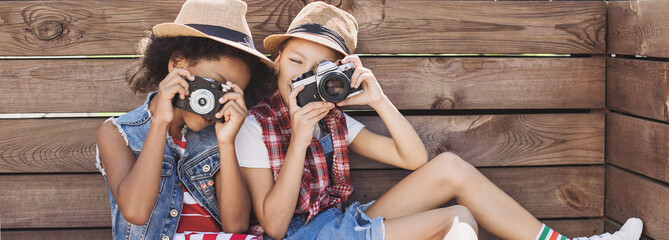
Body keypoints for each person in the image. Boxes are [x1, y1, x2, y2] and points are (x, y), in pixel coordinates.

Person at [235, 2, 644, 240]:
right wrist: (299, 137)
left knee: (449, 168)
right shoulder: (258, 126)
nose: (304, 73)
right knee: (459, 220)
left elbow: (413, 160)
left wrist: (378, 101)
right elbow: (273, 225)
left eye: (322, 68)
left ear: (336, 79)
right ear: (276, 64)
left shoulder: (333, 119)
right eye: (295, 61)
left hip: (344, 222)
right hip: (306, 236)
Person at [95, 0, 274, 239]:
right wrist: (159, 123)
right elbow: (136, 212)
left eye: (231, 93)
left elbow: (236, 226)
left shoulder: (219, 137)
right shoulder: (119, 133)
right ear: (177, 64)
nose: (220, 101)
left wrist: (227, 143)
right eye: (216, 85)